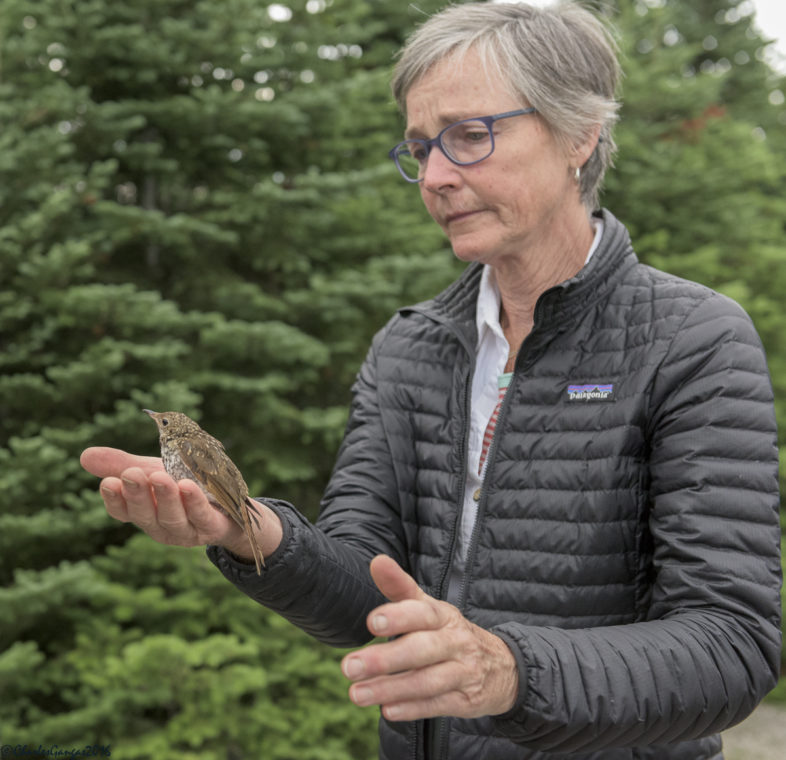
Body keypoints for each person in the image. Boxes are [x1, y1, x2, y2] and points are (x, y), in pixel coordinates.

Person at [81, 3, 782, 759]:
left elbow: (732, 646)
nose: (438, 177)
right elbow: (366, 593)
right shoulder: (408, 349)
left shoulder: (691, 339)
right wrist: (250, 530)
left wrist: (509, 672)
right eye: (420, 148)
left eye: (471, 136)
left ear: (580, 134)